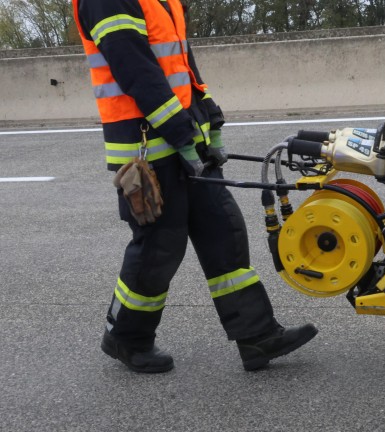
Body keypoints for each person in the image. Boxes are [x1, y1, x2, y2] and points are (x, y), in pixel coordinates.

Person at [72, 0, 317, 373]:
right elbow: (134, 68)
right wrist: (180, 133)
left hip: (187, 140)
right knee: (159, 246)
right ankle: (126, 336)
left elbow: (183, 67)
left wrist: (210, 117)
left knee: (223, 228)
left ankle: (257, 335)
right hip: (149, 150)